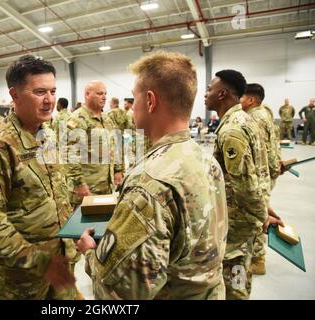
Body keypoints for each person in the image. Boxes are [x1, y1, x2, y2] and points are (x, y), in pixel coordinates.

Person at [76, 51, 228, 300]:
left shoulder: (149, 183)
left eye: (134, 99)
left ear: (150, 100)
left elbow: (124, 291)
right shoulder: (205, 159)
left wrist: (90, 254)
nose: (132, 107)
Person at [0, 55, 76, 299]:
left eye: (53, 91)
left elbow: (58, 192)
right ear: (15, 95)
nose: (49, 100)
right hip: (21, 279)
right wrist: (42, 263)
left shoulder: (46, 135)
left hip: (62, 264)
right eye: (39, 92)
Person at [205, 69, 282, 299]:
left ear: (222, 94)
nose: (205, 94)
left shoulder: (232, 130)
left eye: (210, 89)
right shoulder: (245, 120)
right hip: (244, 217)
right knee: (240, 274)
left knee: (234, 281)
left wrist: (261, 215)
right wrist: (262, 206)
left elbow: (244, 184)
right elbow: (255, 174)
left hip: (237, 224)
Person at [240, 83, 283, 275]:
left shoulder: (254, 118)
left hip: (260, 175)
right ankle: (257, 257)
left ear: (250, 100)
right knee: (259, 213)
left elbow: (259, 151)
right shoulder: (265, 113)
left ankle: (258, 259)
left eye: (241, 97)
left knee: (256, 216)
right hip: (267, 173)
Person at [66, 81, 123, 207]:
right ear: (87, 94)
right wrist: (79, 183)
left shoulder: (106, 119)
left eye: (105, 94)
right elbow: (70, 155)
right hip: (87, 188)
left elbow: (115, 145)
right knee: (84, 225)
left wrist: (118, 170)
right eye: (99, 93)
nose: (104, 97)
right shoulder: (78, 119)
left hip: (105, 186)